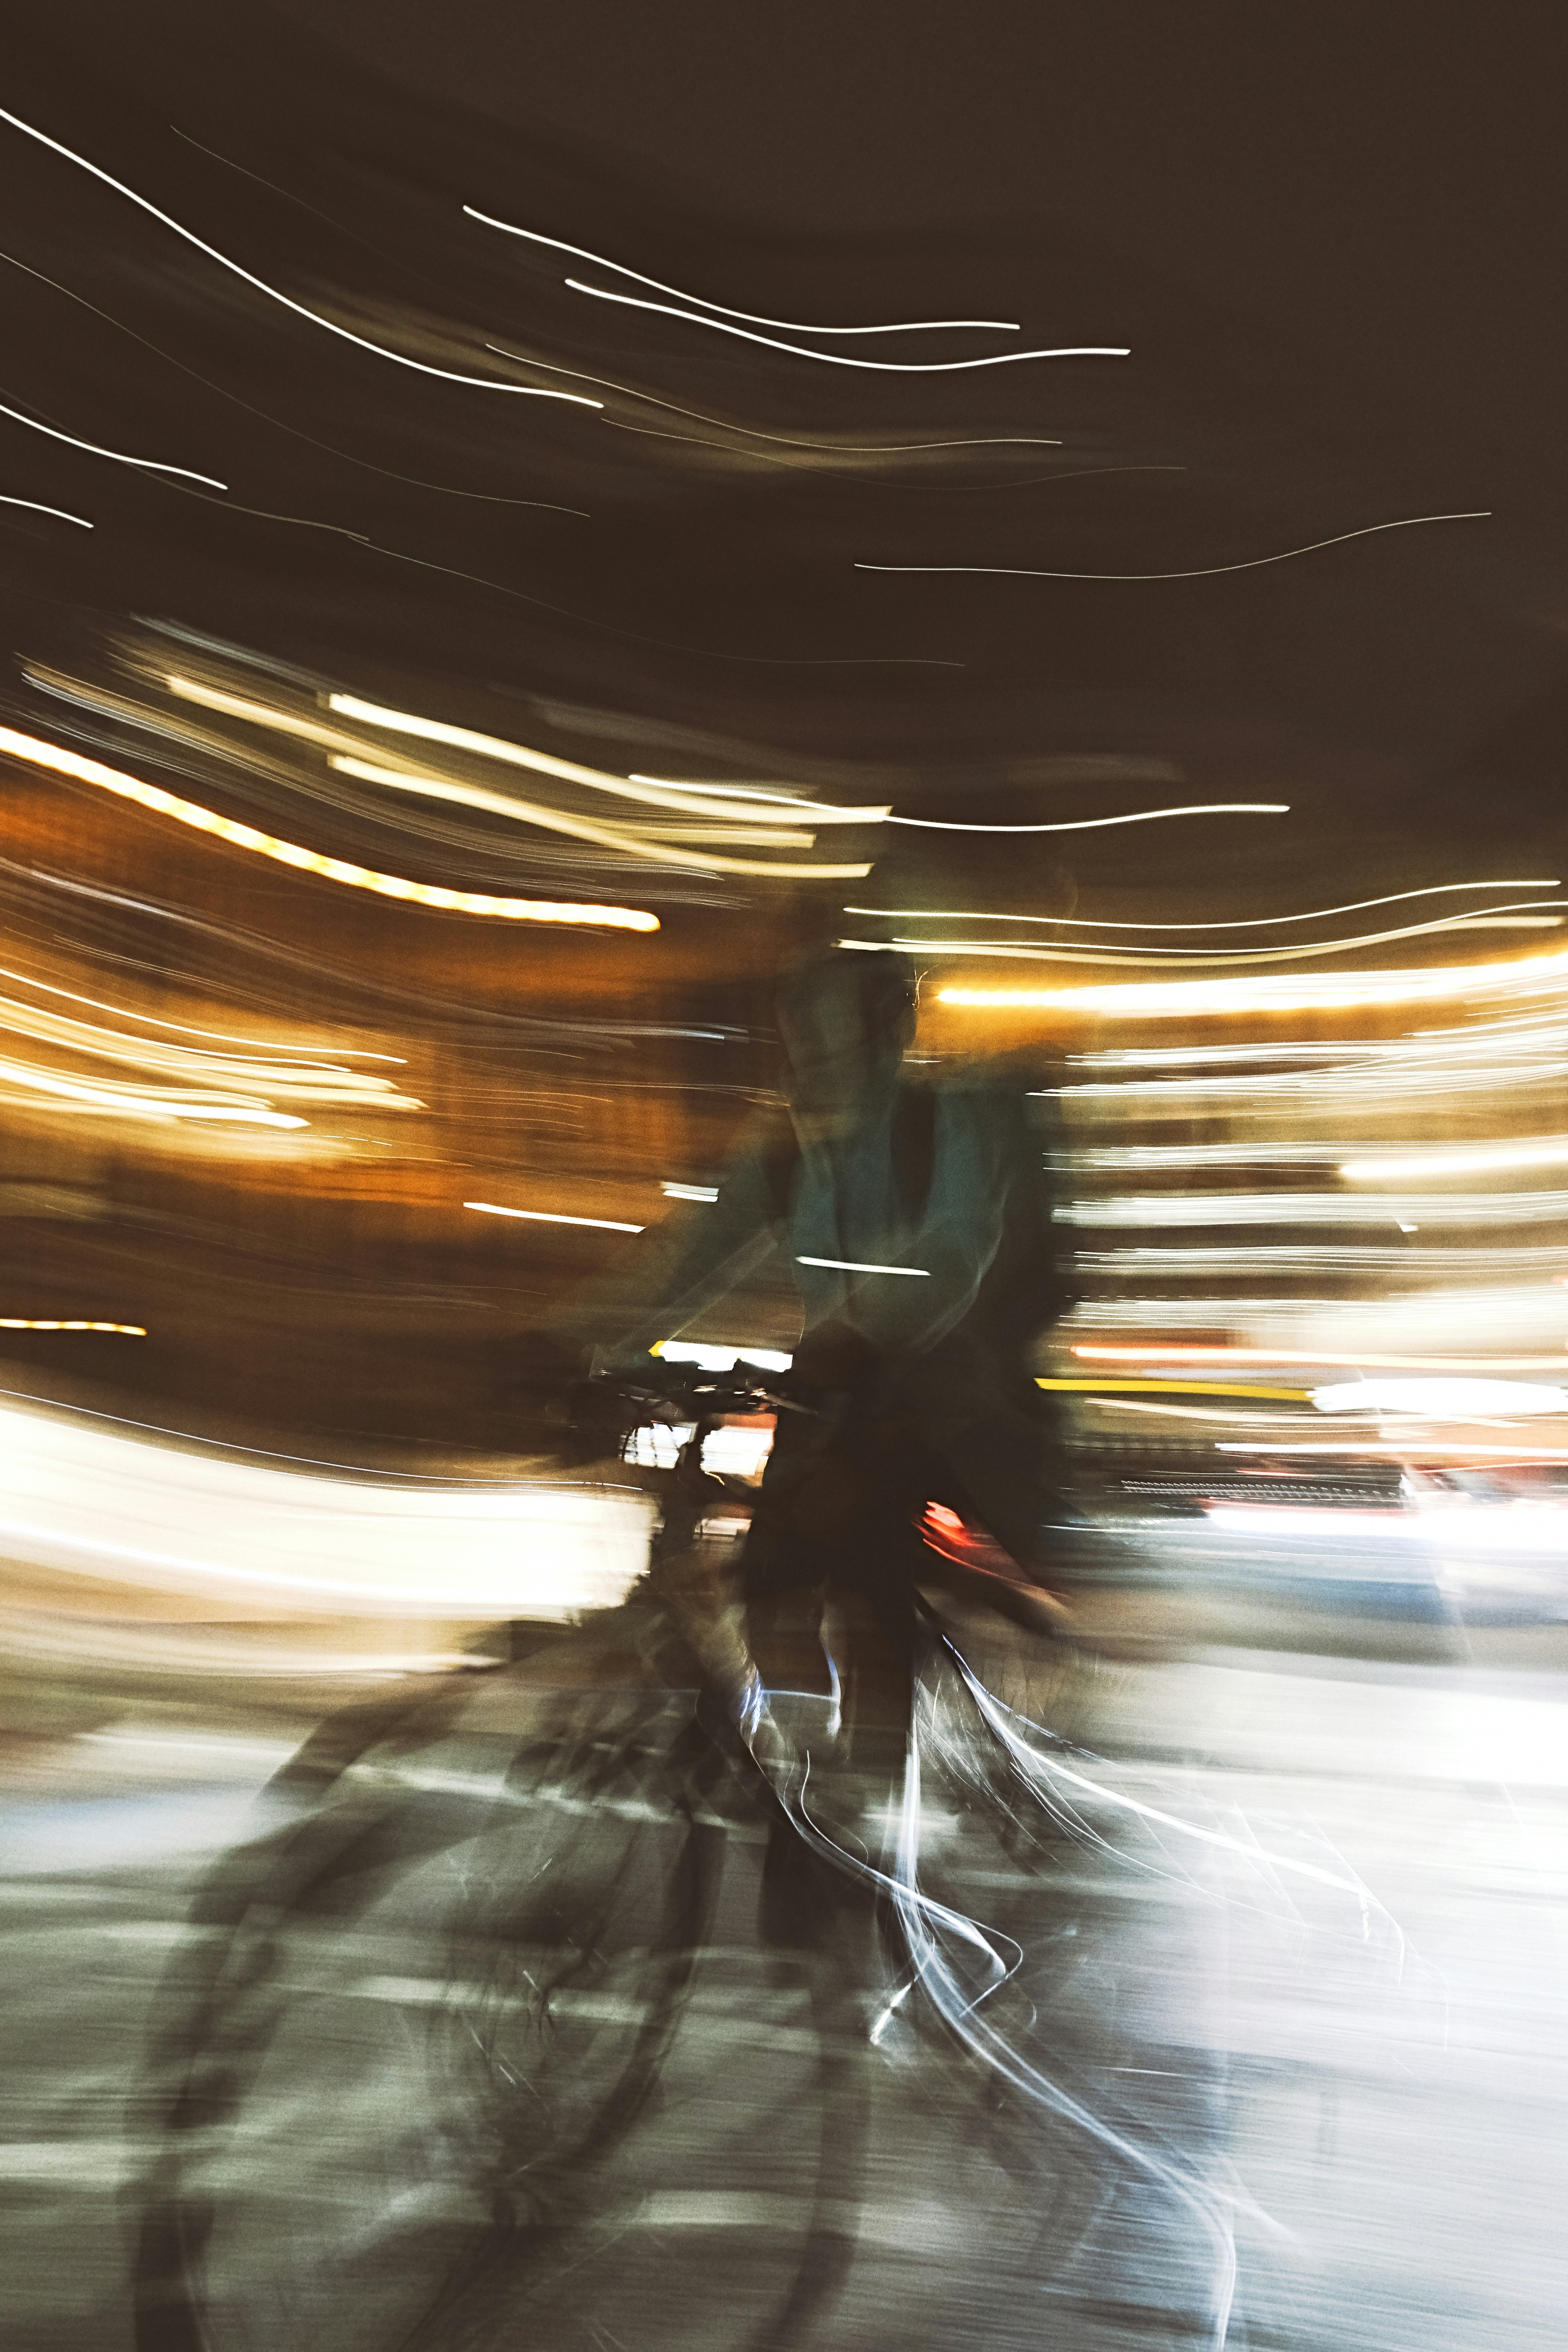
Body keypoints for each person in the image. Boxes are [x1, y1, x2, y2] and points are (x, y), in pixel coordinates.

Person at [507, 944, 1078, 1781]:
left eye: (836, 1046)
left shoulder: (941, 1125)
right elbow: (686, 1259)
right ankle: (807, 1782)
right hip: (826, 1396)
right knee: (772, 1589)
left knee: (863, 1574)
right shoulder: (785, 1152)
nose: (815, 1068)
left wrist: (852, 1338)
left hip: (939, 1401)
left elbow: (954, 1249)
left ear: (893, 1034)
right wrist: (567, 1344)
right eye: (803, 1047)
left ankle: (873, 1790)